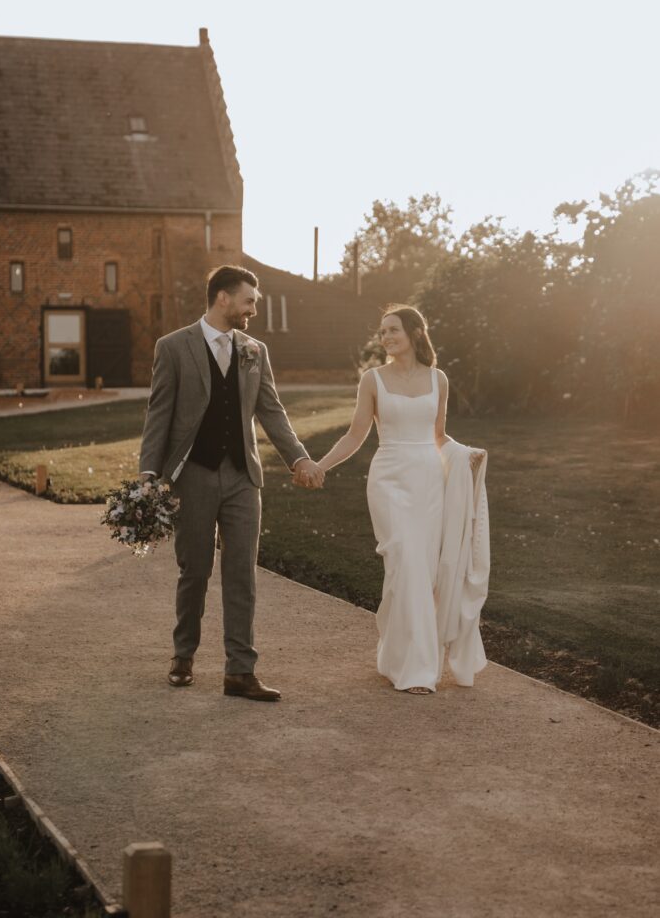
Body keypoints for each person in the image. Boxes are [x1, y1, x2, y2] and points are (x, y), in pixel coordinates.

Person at [138, 264, 323, 701]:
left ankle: (240, 671)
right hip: (193, 476)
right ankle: (183, 656)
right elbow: (159, 414)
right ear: (223, 297)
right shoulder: (173, 347)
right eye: (248, 301)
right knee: (195, 570)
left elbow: (271, 411)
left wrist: (299, 457)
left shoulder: (255, 351)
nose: (253, 309)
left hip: (243, 477)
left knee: (242, 573)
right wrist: (148, 475)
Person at [315, 305, 489, 694]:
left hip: (429, 480)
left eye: (393, 330)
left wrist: (466, 454)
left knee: (420, 572)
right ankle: (418, 671)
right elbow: (355, 434)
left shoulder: (438, 379)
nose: (386, 337)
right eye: (383, 332)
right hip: (389, 479)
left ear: (414, 332)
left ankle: (396, 657)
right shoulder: (372, 379)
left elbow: (438, 435)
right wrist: (320, 465)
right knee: (406, 561)